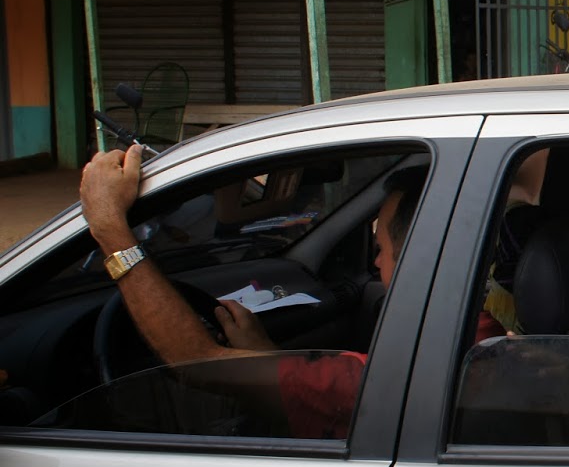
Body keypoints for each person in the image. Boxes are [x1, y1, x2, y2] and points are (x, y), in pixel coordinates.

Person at [80, 146, 424, 436]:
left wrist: (109, 227)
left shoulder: (370, 380)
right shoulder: (449, 346)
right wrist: (265, 355)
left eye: (380, 249)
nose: (375, 262)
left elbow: (196, 362)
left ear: (415, 258)